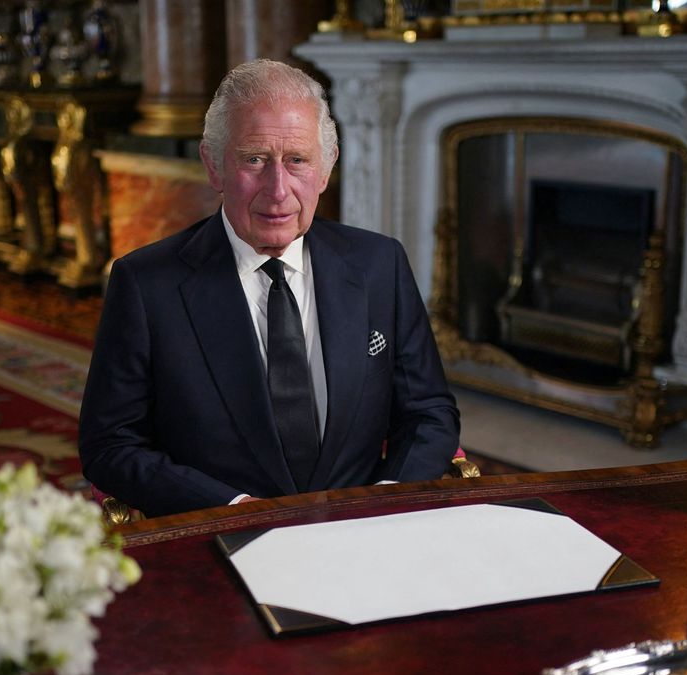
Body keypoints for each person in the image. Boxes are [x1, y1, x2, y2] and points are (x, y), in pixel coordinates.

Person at [78, 59, 460, 517]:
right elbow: (110, 444)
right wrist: (233, 509)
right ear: (214, 166)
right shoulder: (146, 285)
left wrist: (385, 499)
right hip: (222, 535)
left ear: (326, 168)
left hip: (364, 530)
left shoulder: (380, 264)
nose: (278, 190)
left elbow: (429, 412)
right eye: (254, 159)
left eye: (297, 160)